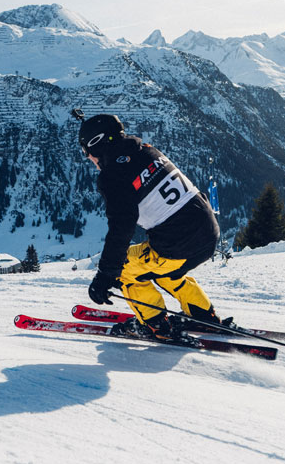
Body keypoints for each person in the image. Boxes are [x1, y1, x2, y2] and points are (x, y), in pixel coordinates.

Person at [75, 111, 222, 340]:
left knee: (125, 270)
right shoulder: (147, 150)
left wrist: (106, 274)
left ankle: (154, 325)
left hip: (178, 245)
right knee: (164, 270)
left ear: (98, 146)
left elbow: (121, 228)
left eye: (87, 153)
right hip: (208, 232)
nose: (90, 160)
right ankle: (202, 315)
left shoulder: (113, 174)